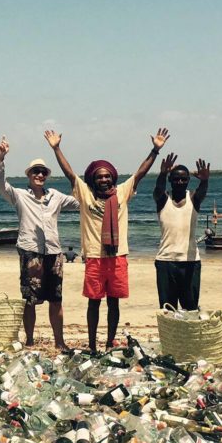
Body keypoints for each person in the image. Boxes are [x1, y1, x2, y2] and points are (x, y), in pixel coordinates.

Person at [48, 127, 169, 353]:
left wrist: (155, 150)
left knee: (114, 302)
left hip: (118, 256)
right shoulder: (85, 194)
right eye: (99, 176)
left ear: (112, 177)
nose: (103, 179)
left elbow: (140, 173)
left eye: (106, 175)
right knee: (93, 302)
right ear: (93, 179)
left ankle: (109, 343)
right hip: (94, 256)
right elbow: (69, 173)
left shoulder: (122, 193)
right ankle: (93, 346)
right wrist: (56, 148)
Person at [0, 136, 79, 349]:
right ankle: (30, 340)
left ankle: (60, 342)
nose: (39, 175)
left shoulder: (56, 197)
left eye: (43, 172)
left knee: (56, 299)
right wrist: (0, 158)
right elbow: (0, 184)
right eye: (35, 172)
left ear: (47, 176)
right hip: (30, 252)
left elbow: (80, 202)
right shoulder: (20, 195)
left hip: (53, 253)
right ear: (29, 175)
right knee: (30, 299)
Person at [151, 154, 210, 310]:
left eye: (184, 179)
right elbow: (158, 189)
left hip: (190, 262)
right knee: (167, 309)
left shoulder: (194, 199)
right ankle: (170, 335)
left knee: (190, 308)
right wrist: (163, 173)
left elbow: (202, 192)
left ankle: (188, 336)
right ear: (170, 180)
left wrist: (204, 180)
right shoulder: (163, 199)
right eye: (176, 179)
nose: (180, 182)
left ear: (188, 181)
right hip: (165, 261)